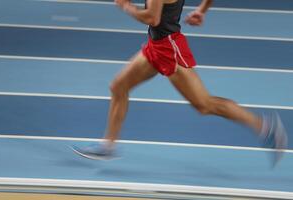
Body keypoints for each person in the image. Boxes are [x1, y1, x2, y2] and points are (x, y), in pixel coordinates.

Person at [72, 0, 288, 166]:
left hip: (169, 49)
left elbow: (152, 18)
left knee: (204, 105)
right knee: (118, 86)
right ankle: (108, 145)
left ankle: (265, 127)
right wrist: (201, 10)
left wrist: (126, 6)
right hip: (155, 47)